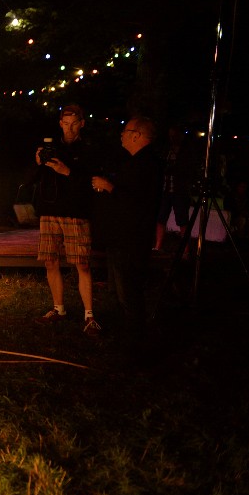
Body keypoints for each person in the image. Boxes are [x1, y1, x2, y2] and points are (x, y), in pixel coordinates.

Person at [29, 104, 102, 337]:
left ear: (82, 123)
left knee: (81, 263)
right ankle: (58, 308)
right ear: (60, 123)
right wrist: (38, 162)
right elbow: (30, 178)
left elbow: (91, 182)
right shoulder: (51, 147)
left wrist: (67, 172)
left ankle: (89, 315)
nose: (69, 128)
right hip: (49, 210)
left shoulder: (89, 149)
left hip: (75, 212)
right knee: (50, 261)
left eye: (74, 123)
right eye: (65, 123)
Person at [91, 116, 163, 346]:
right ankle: (126, 338)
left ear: (137, 135)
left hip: (131, 240)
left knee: (129, 293)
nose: (121, 134)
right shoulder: (135, 162)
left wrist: (109, 187)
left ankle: (136, 346)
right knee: (121, 292)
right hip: (122, 238)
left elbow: (137, 202)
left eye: (125, 130)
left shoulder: (147, 164)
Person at [155, 123, 198, 251]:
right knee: (160, 218)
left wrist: (174, 169)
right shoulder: (166, 149)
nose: (172, 138)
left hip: (179, 190)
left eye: (174, 135)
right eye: (170, 135)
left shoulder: (186, 151)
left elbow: (188, 169)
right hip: (165, 189)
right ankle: (158, 246)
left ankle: (185, 249)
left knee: (182, 220)